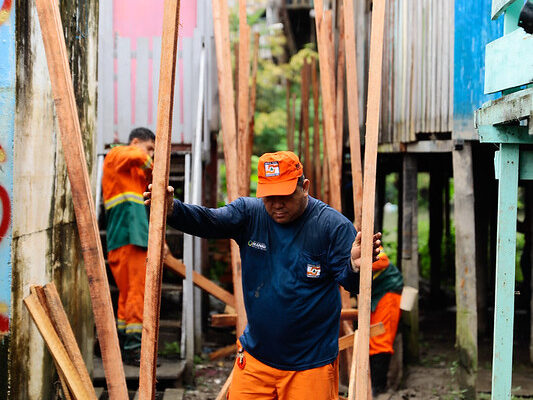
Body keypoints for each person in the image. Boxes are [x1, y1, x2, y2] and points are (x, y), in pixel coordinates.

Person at [145, 151, 381, 399]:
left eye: (285, 196)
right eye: (269, 196)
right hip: (257, 360)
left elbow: (351, 282)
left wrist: (356, 266)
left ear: (305, 187)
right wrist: (173, 210)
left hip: (310, 366)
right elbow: (208, 220)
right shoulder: (249, 214)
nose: (277, 204)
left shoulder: (332, 226)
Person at [102, 127, 155, 365]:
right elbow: (138, 156)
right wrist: (153, 164)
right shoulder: (117, 154)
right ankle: (134, 349)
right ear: (135, 141)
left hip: (125, 238)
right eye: (150, 148)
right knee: (136, 293)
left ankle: (124, 343)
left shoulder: (131, 173)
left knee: (127, 295)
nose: (150, 154)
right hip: (129, 237)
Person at [369, 248, 403, 395]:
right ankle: (374, 386)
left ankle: (379, 387)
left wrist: (356, 263)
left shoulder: (365, 242)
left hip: (387, 293)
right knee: (373, 339)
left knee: (381, 340)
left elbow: (383, 260)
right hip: (376, 294)